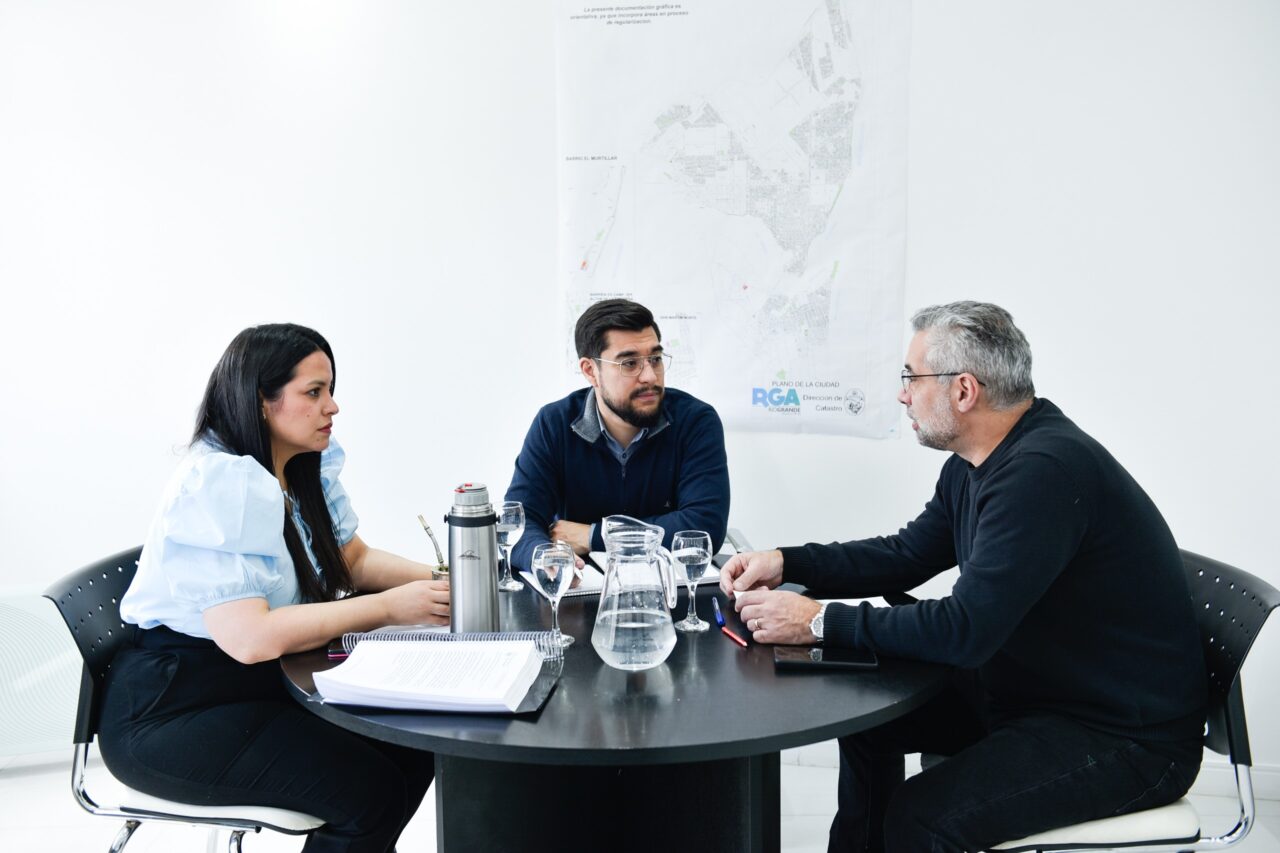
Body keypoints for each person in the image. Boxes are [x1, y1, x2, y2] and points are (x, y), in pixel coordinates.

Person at [720, 301, 1206, 853]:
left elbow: (965, 630)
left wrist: (821, 621)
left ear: (963, 390)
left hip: (1122, 737)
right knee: (869, 722)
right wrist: (788, 561)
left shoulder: (1043, 473)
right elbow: (906, 554)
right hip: (1034, 691)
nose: (903, 393)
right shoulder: (977, 462)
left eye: (910, 377)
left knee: (922, 818)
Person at [98, 323, 448, 853]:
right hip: (175, 710)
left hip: (256, 685)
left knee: (415, 748)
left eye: (330, 390)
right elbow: (250, 638)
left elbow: (351, 559)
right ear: (261, 402)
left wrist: (455, 581)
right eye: (314, 393)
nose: (332, 407)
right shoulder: (223, 482)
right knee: (368, 792)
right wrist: (386, 609)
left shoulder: (298, 466)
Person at [505, 298, 730, 568]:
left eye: (655, 359)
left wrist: (595, 535)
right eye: (630, 363)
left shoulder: (695, 421)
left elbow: (702, 529)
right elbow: (518, 523)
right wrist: (544, 558)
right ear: (591, 371)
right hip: (579, 592)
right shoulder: (553, 423)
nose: (650, 376)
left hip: (669, 592)